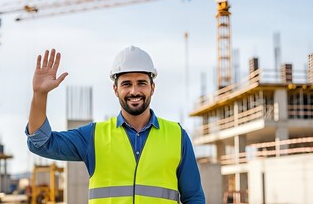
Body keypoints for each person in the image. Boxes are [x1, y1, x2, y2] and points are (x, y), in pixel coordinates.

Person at [26, 46, 206, 204]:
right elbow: (40, 143)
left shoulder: (177, 136)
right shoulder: (94, 136)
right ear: (115, 89)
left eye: (141, 83)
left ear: (152, 87)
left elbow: (194, 198)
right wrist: (39, 95)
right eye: (126, 84)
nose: (134, 91)